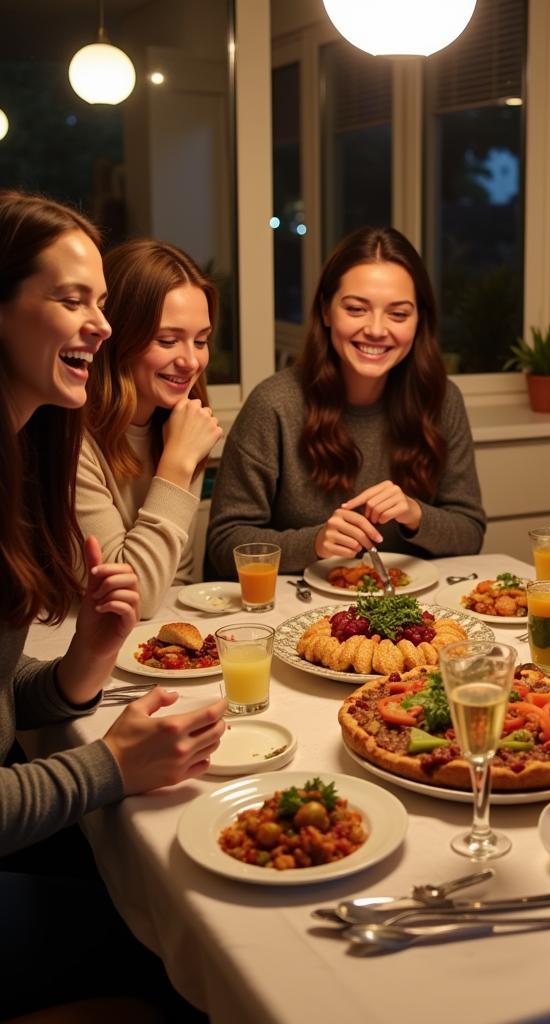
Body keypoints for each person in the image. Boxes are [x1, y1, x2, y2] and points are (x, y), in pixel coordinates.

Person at [0, 191, 227, 1017]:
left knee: (153, 871)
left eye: (99, 303)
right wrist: (109, 766)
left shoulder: (32, 447)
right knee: (179, 936)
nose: (94, 325)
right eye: (72, 299)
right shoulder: (74, 445)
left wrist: (80, 667)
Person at [206, 226, 485, 577]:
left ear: (419, 321)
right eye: (356, 309)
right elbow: (223, 544)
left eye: (398, 314)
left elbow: (470, 533)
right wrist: (315, 543)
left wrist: (416, 513)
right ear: (326, 311)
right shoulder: (274, 404)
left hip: (413, 616)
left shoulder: (442, 400)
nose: (377, 329)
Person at [79, 239, 223, 619]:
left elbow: (176, 580)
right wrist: (176, 464)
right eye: (167, 340)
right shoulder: (72, 443)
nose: (191, 361)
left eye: (202, 340)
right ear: (118, 337)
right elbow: (132, 600)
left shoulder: (181, 424)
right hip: (65, 652)